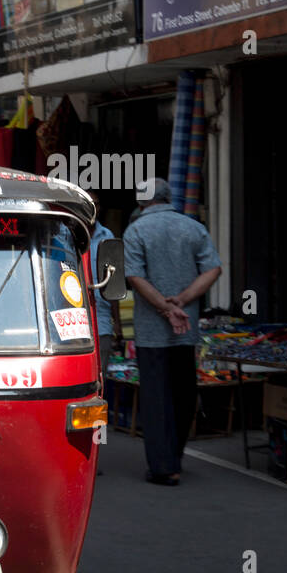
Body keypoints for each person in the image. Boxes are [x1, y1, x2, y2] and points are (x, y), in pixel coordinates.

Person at [123, 177, 222, 486]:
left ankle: (164, 467)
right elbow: (213, 269)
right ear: (169, 198)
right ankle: (174, 456)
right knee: (183, 392)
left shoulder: (136, 230)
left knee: (156, 397)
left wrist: (166, 308)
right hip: (186, 327)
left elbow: (135, 277)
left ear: (141, 202)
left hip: (153, 330)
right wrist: (183, 300)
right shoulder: (193, 228)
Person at [87, 191, 122, 383]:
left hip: (102, 318)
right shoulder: (66, 233)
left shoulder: (106, 236)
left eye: (96, 204)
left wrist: (117, 322)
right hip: (75, 319)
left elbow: (114, 282)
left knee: (101, 378)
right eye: (89, 203)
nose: (93, 208)